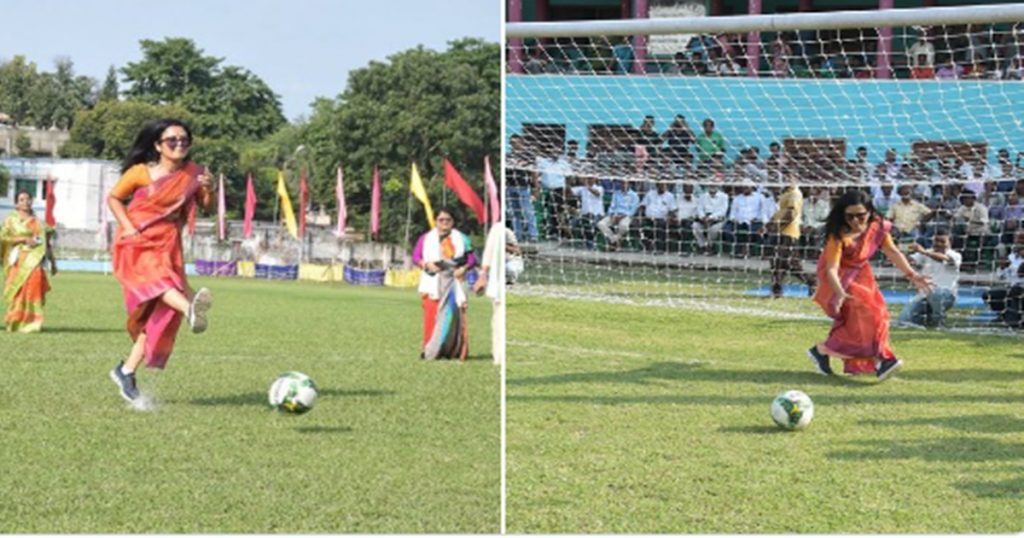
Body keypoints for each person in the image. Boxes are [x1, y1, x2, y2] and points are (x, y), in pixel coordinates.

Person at [107, 119, 216, 402]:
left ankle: (126, 371)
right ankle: (190, 306)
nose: (179, 144)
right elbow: (114, 198)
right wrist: (128, 226)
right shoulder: (139, 173)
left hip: (167, 242)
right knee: (161, 284)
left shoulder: (196, 173)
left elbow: (206, 207)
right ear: (158, 146)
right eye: (172, 140)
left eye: (184, 140)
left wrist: (210, 189)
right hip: (136, 241)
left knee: (158, 312)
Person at [808, 190, 932, 380]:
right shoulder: (838, 234)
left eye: (860, 215)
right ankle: (882, 359)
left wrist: (912, 275)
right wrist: (839, 292)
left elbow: (892, 251)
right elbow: (831, 268)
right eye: (850, 216)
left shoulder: (877, 227)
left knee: (878, 313)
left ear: (870, 212)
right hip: (838, 277)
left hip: (861, 273)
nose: (856, 221)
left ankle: (823, 351)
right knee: (867, 314)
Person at [412, 208, 476, 360]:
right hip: (432, 281)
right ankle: (430, 350)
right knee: (431, 316)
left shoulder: (462, 239)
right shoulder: (426, 238)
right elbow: (416, 256)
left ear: (452, 222)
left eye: (448, 220)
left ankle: (453, 350)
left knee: (454, 316)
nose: (444, 222)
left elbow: (472, 259)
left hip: (454, 281)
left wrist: (463, 268)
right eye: (441, 220)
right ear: (436, 221)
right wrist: (426, 264)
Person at [1, 191, 57, 332]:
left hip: (34, 260)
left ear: (32, 202)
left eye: (28, 199)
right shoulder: (11, 220)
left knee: (34, 289)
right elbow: (4, 238)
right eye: (21, 199)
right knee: (18, 290)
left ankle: (32, 323)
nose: (25, 202)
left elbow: (46, 242)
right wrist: (23, 239)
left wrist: (53, 261)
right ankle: (15, 322)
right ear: (16, 203)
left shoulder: (38, 222)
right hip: (18, 260)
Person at [761, 176, 814, 298]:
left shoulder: (795, 194)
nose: (786, 179)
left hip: (790, 232)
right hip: (780, 231)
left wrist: (777, 225)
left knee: (788, 262)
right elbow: (780, 212)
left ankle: (812, 282)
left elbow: (791, 214)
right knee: (777, 261)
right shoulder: (786, 192)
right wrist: (768, 225)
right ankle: (776, 290)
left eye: (790, 178)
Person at [896, 230, 961, 328]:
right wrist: (900, 251)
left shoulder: (955, 255)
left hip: (946, 295)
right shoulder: (927, 252)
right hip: (924, 295)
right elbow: (909, 260)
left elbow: (944, 259)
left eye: (942, 241)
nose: (938, 244)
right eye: (936, 241)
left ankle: (939, 322)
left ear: (950, 242)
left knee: (936, 293)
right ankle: (928, 319)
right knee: (903, 320)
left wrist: (923, 251)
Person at [473, 224, 516, 365]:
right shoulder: (496, 229)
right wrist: (482, 276)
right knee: (498, 317)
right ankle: (498, 356)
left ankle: (501, 355)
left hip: (508, 278)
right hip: (497, 282)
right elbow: (488, 253)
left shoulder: (507, 231)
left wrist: (507, 248)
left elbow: (517, 251)